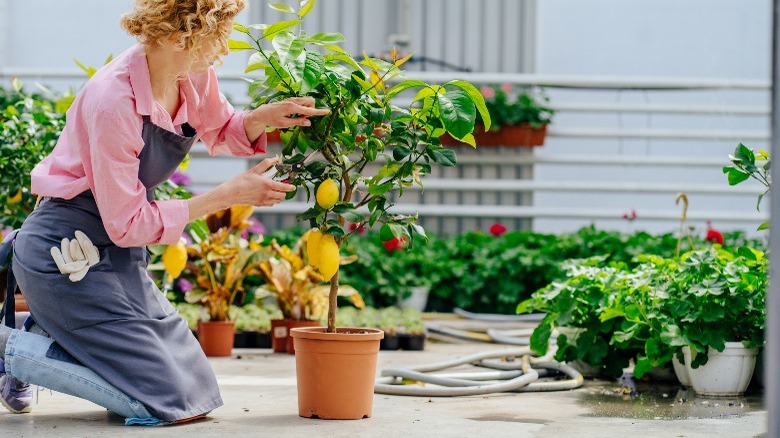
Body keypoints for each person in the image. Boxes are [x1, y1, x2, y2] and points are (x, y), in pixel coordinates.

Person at [0, 0, 328, 426]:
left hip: (118, 251)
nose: (225, 46)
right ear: (180, 36)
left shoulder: (190, 74)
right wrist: (226, 195)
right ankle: (13, 353)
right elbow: (128, 223)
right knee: (161, 401)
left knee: (196, 393)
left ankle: (43, 331)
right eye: (219, 33)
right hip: (65, 253)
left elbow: (222, 128)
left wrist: (260, 119)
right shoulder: (113, 100)